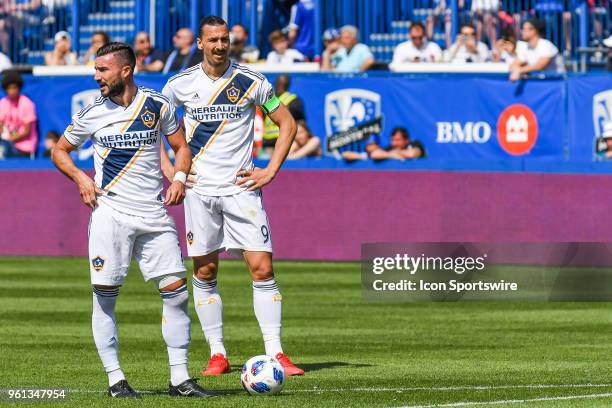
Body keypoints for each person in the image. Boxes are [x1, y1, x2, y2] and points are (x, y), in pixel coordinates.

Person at [50, 42, 213, 398]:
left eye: (102, 70)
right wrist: (81, 178)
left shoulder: (158, 105)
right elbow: (59, 150)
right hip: (111, 214)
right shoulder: (91, 112)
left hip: (154, 213)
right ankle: (115, 379)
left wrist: (180, 179)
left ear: (126, 70)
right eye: (96, 69)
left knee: (176, 293)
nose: (96, 76)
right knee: (105, 297)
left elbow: (181, 147)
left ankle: (180, 379)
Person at [161, 15, 304, 378]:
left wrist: (270, 170)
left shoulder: (250, 80)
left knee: (262, 268)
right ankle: (218, 353)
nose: (220, 46)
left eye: (225, 39)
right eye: (213, 40)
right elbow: (153, 125)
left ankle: (276, 353)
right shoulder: (179, 84)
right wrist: (171, 170)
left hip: (241, 189)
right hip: (200, 191)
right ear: (200, 43)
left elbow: (287, 123)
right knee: (205, 271)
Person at [0, 70, 38, 159]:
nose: (12, 91)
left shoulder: (27, 103)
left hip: (25, 148)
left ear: (19, 88)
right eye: (9, 88)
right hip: (6, 144)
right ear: (6, 89)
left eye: (15, 88)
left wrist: (10, 139)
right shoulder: (3, 102)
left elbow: (26, 131)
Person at [262, 75, 305, 150]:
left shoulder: (267, 100)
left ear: (275, 84)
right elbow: (300, 122)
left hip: (266, 140)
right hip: (284, 139)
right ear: (288, 85)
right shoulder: (294, 101)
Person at [342, 128, 424, 161]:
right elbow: (375, 154)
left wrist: (398, 153)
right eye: (393, 140)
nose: (394, 143)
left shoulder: (415, 144)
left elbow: (412, 153)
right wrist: (392, 155)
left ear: (406, 140)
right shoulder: (390, 148)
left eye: (398, 140)